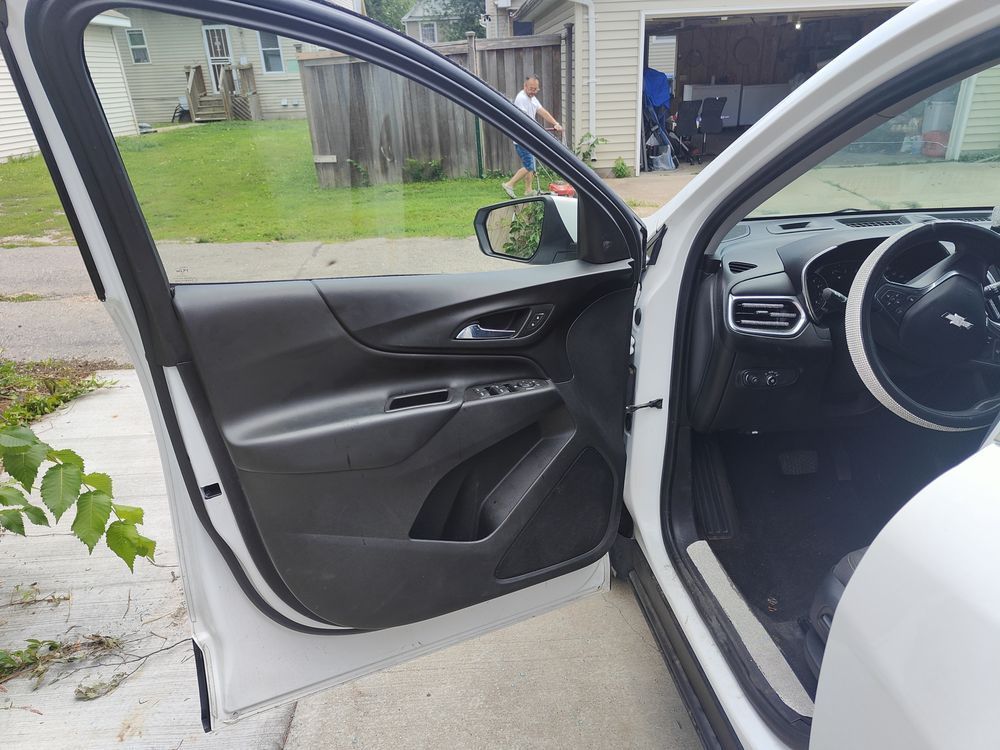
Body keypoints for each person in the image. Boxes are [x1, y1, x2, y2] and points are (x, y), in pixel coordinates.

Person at [502, 75, 563, 198]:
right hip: (522, 139)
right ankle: (509, 184)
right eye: (531, 89)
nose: (533, 91)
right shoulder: (521, 99)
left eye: (535, 89)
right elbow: (525, 121)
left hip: (529, 138)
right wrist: (538, 131)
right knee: (529, 165)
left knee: (531, 165)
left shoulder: (532, 98)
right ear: (525, 86)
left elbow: (542, 112)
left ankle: (528, 190)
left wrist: (555, 123)